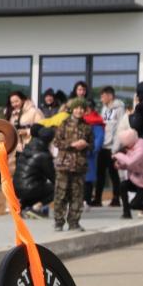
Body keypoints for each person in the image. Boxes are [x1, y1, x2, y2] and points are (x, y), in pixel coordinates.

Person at [51, 99, 93, 232]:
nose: (79, 111)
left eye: (82, 108)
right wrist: (72, 144)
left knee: (77, 195)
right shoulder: (64, 124)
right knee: (61, 194)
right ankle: (58, 222)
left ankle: (74, 222)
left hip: (79, 165)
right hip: (64, 164)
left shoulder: (87, 126)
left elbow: (92, 145)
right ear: (72, 109)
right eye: (76, 108)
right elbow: (57, 142)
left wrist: (86, 144)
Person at [93, 86, 127, 206]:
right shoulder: (104, 109)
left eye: (103, 96)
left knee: (114, 174)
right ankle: (97, 199)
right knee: (100, 173)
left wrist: (116, 147)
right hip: (103, 146)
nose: (101, 98)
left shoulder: (119, 108)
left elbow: (120, 127)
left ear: (110, 96)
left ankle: (116, 198)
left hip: (113, 147)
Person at [15, 125, 55, 218]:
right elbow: (53, 176)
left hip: (17, 187)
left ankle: (22, 206)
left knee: (35, 186)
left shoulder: (28, 148)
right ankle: (36, 208)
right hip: (29, 188)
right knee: (58, 187)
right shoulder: (43, 155)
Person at [113, 129, 143, 218]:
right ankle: (126, 213)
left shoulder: (141, 150)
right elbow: (128, 165)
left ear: (129, 141)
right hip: (136, 178)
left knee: (135, 204)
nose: (123, 144)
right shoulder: (131, 147)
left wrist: (118, 155)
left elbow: (131, 162)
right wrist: (120, 165)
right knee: (122, 186)